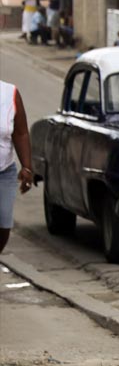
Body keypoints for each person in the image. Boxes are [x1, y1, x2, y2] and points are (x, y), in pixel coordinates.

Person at [0, 80, 35, 255]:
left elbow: (20, 133)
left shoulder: (9, 93)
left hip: (4, 171)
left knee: (3, 224)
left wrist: (27, 167)